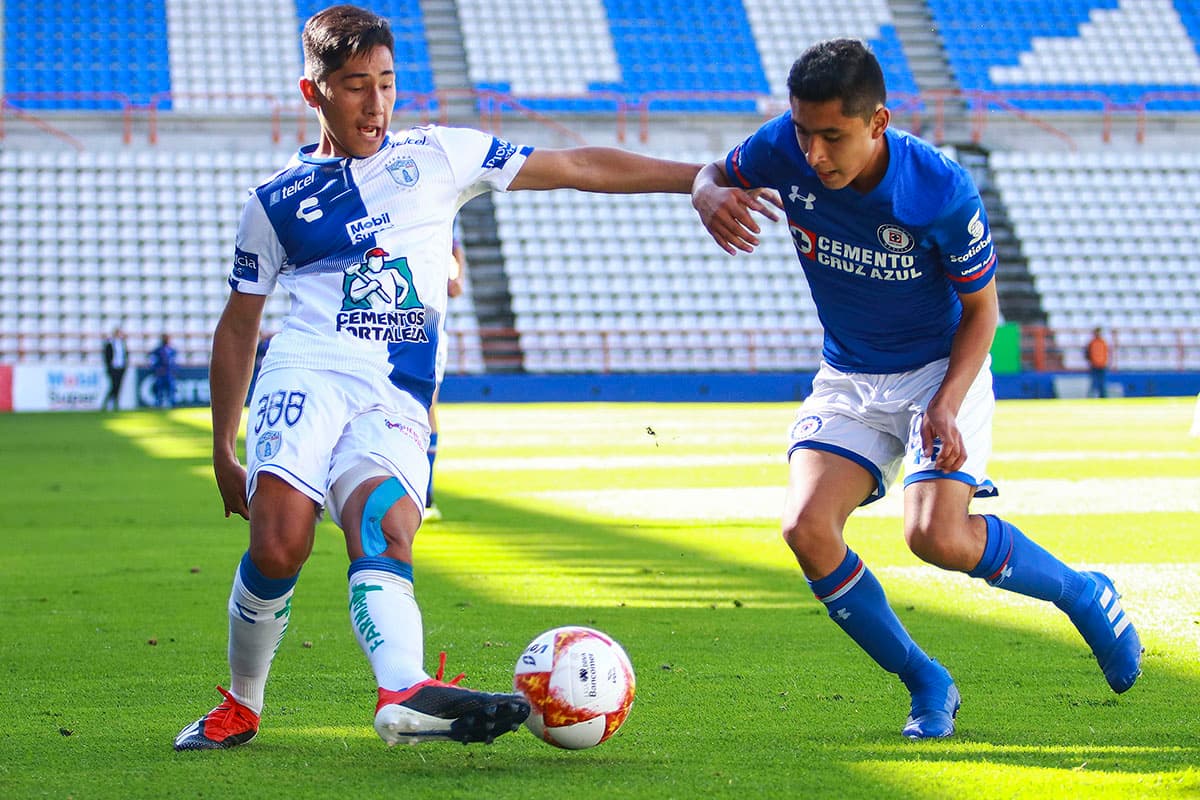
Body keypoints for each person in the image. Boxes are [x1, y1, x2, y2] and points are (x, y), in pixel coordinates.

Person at [174, 3, 709, 752]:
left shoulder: (439, 156)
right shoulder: (274, 201)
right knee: (279, 545)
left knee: (386, 524)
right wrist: (221, 445)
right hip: (307, 369)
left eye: (387, 82)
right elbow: (239, 324)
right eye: (355, 85)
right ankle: (243, 703)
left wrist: (703, 178)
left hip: (396, 390)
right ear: (314, 91)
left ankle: (405, 694)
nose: (376, 102)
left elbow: (580, 165)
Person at [691, 38, 1142, 740]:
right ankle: (926, 680)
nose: (812, 154)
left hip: (939, 367)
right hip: (848, 372)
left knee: (935, 536)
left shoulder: (939, 189)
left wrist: (947, 402)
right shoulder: (781, 144)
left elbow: (984, 309)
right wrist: (706, 190)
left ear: (878, 122)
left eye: (832, 136)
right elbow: (716, 171)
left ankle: (1083, 594)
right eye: (804, 132)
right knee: (806, 530)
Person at [423, 230, 467, 523]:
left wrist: (457, 277)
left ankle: (425, 494)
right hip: (383, 327)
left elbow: (455, 249)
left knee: (426, 408)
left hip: (428, 331)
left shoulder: (437, 221)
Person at [101, 327, 128, 411]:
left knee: (118, 386)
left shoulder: (123, 344)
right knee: (114, 386)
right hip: (113, 368)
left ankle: (115, 404)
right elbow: (107, 357)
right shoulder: (110, 344)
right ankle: (108, 403)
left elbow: (125, 355)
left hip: (121, 368)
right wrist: (109, 367)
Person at [149, 334, 178, 408]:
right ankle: (158, 404)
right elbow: (153, 361)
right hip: (160, 373)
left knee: (171, 389)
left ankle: (172, 404)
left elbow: (174, 362)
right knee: (159, 390)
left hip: (169, 372)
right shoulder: (157, 350)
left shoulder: (172, 350)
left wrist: (174, 371)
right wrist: (157, 369)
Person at [1086, 327, 1109, 398]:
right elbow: (1087, 354)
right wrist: (1092, 361)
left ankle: (1103, 397)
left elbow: (1106, 353)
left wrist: (1105, 362)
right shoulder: (1092, 343)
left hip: (1102, 365)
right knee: (1094, 382)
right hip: (1094, 365)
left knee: (1102, 382)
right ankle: (1092, 397)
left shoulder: (1103, 342)